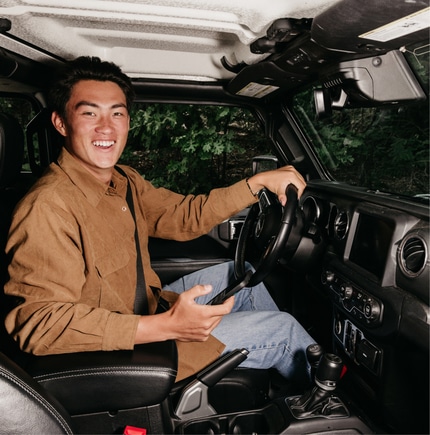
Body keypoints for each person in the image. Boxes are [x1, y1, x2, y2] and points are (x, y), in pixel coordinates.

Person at [4, 56, 314, 383]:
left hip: (149, 308)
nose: (106, 127)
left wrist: (257, 183)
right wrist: (167, 326)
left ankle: (249, 378)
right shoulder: (47, 206)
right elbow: (40, 325)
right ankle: (328, 406)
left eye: (117, 113)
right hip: (125, 350)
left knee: (242, 274)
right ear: (61, 123)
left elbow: (182, 217)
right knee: (285, 330)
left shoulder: (124, 181)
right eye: (89, 112)